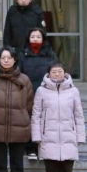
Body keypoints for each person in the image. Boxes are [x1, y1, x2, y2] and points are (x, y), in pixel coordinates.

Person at [31, 63, 85, 172]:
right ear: (48, 74)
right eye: (53, 71)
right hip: (48, 136)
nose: (56, 74)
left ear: (65, 73)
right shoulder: (41, 91)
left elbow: (79, 115)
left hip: (68, 136)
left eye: (59, 71)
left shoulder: (73, 91)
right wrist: (37, 136)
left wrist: (80, 136)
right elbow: (36, 115)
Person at [20, 27, 59, 160]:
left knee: (46, 121)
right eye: (32, 37)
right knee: (30, 120)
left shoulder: (50, 54)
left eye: (38, 37)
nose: (35, 39)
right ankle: (30, 148)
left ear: (43, 39)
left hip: (46, 92)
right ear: (28, 39)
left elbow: (56, 71)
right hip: (28, 93)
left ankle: (44, 148)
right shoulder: (23, 54)